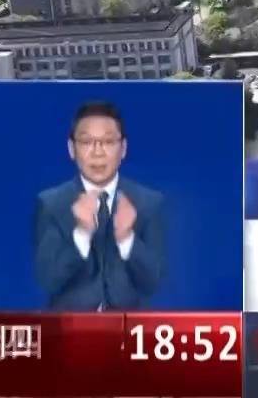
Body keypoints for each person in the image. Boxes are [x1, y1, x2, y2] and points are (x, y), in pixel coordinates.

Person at [32, 100, 166, 310]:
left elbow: (152, 283)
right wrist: (82, 234)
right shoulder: (51, 204)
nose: (97, 152)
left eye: (108, 141)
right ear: (72, 149)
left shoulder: (148, 202)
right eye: (87, 142)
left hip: (129, 327)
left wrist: (127, 238)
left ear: (123, 148)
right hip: (70, 327)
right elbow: (48, 280)